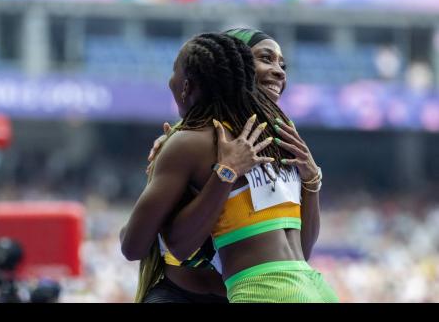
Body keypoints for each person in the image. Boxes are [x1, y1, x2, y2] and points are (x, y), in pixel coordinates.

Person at [121, 32, 337, 302]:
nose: (279, 72)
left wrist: (312, 180)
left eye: (282, 64)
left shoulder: (279, 138)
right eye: (266, 59)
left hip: (261, 291)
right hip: (303, 288)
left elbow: (138, 243)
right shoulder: (199, 140)